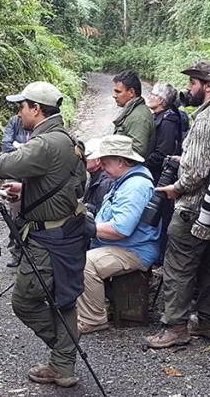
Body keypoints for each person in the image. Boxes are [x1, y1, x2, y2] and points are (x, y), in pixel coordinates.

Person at [0, 81, 89, 388]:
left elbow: (0, 165)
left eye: (21, 106)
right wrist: (28, 190)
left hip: (48, 239)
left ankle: (65, 354)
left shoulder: (44, 144)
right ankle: (63, 365)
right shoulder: (69, 139)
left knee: (25, 301)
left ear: (36, 109)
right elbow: (69, 184)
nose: (19, 112)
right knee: (63, 298)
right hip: (68, 231)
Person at [143, 60, 210, 348]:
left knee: (178, 267)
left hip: (193, 208)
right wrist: (184, 160)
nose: (188, 88)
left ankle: (175, 327)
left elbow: (197, 170)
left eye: (192, 83)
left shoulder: (205, 119)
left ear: (207, 86)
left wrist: (176, 187)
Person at [76, 135, 160, 335]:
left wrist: (91, 229)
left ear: (120, 161)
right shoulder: (125, 179)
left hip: (134, 250)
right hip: (124, 246)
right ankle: (94, 305)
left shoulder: (135, 187)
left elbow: (121, 229)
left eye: (105, 162)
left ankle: (94, 318)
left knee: (86, 263)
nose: (102, 166)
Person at [145, 82, 183, 266]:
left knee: (159, 216)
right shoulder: (160, 117)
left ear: (161, 100)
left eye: (152, 94)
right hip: (157, 175)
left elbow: (163, 154)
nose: (149, 96)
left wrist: (142, 160)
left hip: (161, 177)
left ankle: (159, 259)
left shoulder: (167, 122)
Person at [1, 116, 29, 267]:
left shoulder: (42, 125)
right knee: (15, 216)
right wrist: (26, 148)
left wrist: (18, 146)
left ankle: (33, 250)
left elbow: (41, 152)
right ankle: (16, 252)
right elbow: (6, 145)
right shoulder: (14, 122)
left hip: (34, 176)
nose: (20, 113)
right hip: (15, 175)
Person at [112, 70, 155, 159]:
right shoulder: (132, 111)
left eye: (118, 92)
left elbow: (137, 151)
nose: (114, 95)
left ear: (131, 92)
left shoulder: (139, 117)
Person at [81, 137, 115, 217]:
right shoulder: (95, 177)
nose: (82, 159)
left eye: (85, 156)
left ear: (98, 160)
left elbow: (101, 213)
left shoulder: (106, 182)